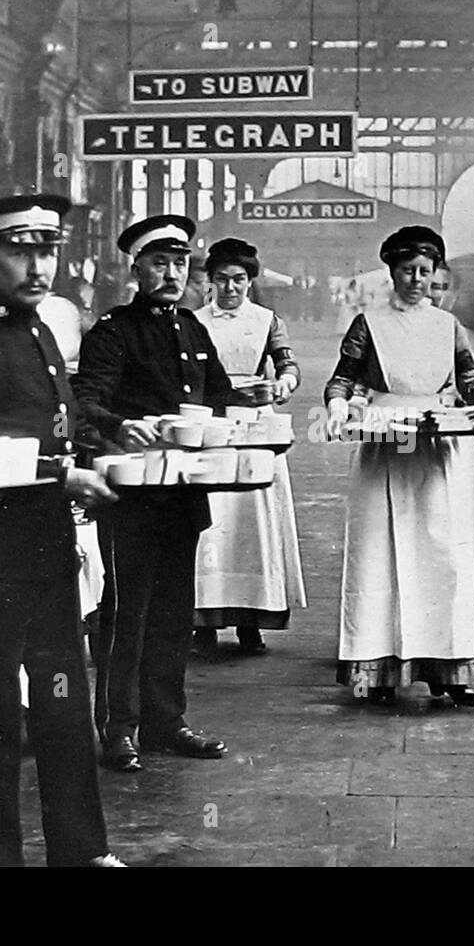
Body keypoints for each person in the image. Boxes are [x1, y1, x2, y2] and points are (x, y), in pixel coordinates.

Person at [0, 193, 124, 867]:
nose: (38, 265)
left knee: (66, 705)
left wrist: (98, 441)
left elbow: (52, 427)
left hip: (45, 549)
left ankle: (81, 850)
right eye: (20, 250)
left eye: (47, 250)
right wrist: (61, 478)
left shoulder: (41, 333)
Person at [72, 214, 235, 769]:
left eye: (181, 263)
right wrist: (119, 425)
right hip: (133, 496)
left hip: (183, 492)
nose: (172, 273)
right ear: (137, 268)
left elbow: (219, 395)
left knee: (173, 613)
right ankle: (118, 728)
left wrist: (246, 403)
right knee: (126, 614)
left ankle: (167, 722)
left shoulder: (191, 328)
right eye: (160, 263)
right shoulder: (113, 331)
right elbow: (83, 402)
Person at [324, 225, 474, 707]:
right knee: (379, 556)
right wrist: (338, 408)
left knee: (443, 558)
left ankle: (450, 671)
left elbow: (469, 377)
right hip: (384, 443)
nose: (417, 280)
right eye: (407, 271)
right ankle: (374, 672)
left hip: (441, 447)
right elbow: (343, 379)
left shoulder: (448, 325)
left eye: (425, 271)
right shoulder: (369, 323)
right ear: (392, 272)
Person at [191, 237, 306, 655]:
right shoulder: (193, 321)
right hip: (208, 426)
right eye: (221, 280)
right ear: (210, 281)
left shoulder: (266, 320)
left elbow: (287, 361)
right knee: (209, 529)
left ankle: (250, 621)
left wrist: (284, 382)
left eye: (239, 280)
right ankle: (202, 622)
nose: (230, 289)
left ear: (250, 282)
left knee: (250, 528)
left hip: (254, 426)